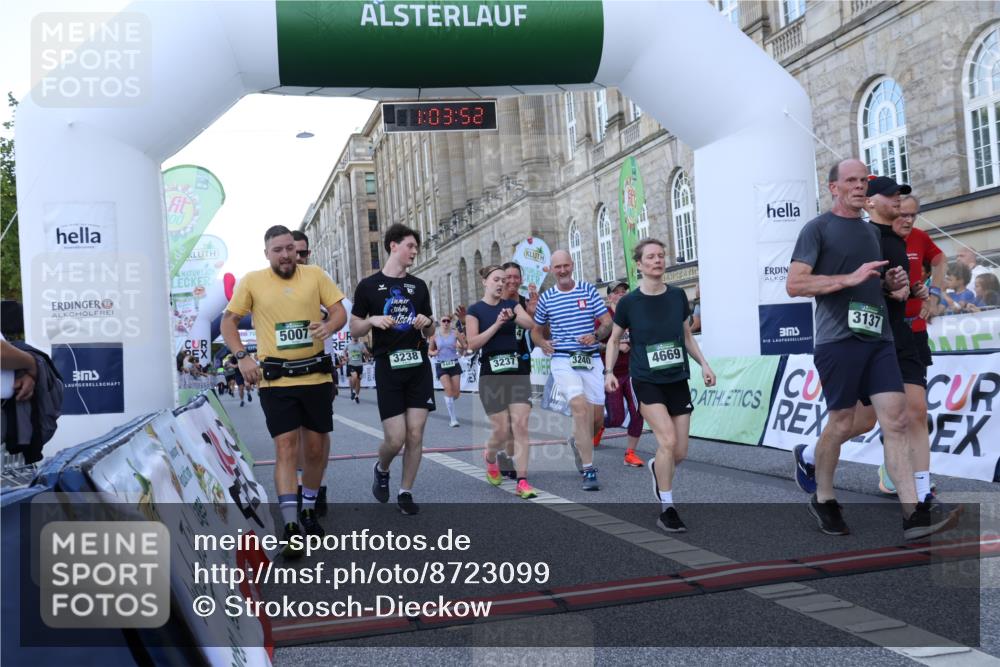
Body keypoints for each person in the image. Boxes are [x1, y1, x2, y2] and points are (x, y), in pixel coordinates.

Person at [787, 160, 957, 541]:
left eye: (864, 180)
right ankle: (824, 497)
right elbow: (795, 285)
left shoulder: (871, 233)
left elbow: (877, 286)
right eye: (851, 181)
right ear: (833, 188)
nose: (860, 186)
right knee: (844, 423)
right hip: (838, 341)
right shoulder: (817, 229)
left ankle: (914, 514)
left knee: (896, 421)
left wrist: (892, 284)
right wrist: (849, 278)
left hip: (879, 339)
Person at [221, 225, 346, 557]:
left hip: (316, 377)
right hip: (276, 380)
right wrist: (242, 356)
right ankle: (291, 524)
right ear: (267, 253)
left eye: (290, 248)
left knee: (316, 451)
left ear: (297, 249)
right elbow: (228, 322)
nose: (286, 254)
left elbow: (339, 311)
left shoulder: (315, 275)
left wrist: (330, 325)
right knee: (286, 448)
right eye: (278, 250)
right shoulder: (252, 281)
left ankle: (308, 507)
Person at [605, 240, 714, 531]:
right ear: (639, 265)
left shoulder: (679, 296)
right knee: (666, 441)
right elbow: (615, 340)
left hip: (677, 377)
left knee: (679, 452)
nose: (658, 260)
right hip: (647, 379)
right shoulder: (629, 302)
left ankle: (657, 467)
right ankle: (667, 506)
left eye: (661, 256)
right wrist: (608, 371)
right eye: (651, 257)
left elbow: (687, 336)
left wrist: (704, 364)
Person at [351, 223, 436, 516]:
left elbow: (429, 331)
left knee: (415, 434)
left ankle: (405, 491)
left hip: (418, 365)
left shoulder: (419, 286)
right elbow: (354, 329)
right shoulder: (368, 286)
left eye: (416, 247)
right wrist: (372, 321)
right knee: (395, 438)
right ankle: (382, 467)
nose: (414, 251)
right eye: (410, 246)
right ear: (393, 246)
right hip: (388, 366)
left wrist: (427, 323)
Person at [532, 250, 613, 491]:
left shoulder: (588, 290)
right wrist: (543, 343)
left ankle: (577, 441)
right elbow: (536, 330)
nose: (563, 270)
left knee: (597, 420)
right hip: (563, 360)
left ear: (573, 265)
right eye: (558, 267)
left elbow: (607, 323)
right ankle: (589, 470)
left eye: (566, 265)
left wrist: (596, 335)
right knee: (580, 408)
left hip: (589, 360)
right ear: (552, 269)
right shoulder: (547, 298)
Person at [465, 265, 539, 498]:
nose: (501, 283)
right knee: (501, 431)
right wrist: (497, 324)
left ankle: (523, 480)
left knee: (520, 426)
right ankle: (490, 455)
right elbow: (473, 343)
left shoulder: (511, 305)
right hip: (491, 376)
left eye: (504, 280)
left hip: (516, 373)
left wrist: (515, 315)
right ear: (485, 282)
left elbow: (530, 324)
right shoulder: (475, 310)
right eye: (496, 279)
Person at [291, 229, 330, 515]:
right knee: (291, 436)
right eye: (294, 252)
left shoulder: (318, 277)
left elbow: (342, 312)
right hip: (286, 374)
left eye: (303, 253)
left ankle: (317, 483)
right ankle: (298, 486)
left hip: (319, 367)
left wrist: (327, 318)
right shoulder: (272, 282)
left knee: (317, 435)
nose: (298, 258)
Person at [495, 261, 538, 479]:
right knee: (505, 422)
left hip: (521, 365)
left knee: (519, 420)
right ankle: (504, 453)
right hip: (498, 368)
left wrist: (532, 313)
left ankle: (514, 463)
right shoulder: (494, 302)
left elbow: (538, 332)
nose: (512, 281)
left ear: (521, 279)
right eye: (507, 277)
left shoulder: (525, 302)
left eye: (515, 277)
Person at [602, 281, 646, 468]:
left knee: (638, 412)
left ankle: (630, 453)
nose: (621, 295)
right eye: (616, 292)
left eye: (623, 292)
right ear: (610, 297)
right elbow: (591, 343)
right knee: (616, 418)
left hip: (632, 372)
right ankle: (599, 425)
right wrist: (615, 346)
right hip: (612, 374)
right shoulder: (604, 318)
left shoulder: (634, 315)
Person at [428, 315, 466, 427]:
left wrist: (459, 348)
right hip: (441, 365)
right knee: (448, 389)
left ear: (450, 322)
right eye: (443, 320)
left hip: (454, 363)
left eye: (448, 321)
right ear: (440, 322)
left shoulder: (455, 333)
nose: (446, 323)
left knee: (456, 393)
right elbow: (430, 350)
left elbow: (464, 346)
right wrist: (434, 353)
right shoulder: (434, 336)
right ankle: (453, 419)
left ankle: (448, 400)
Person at [343, 338, 370, 403]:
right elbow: (344, 351)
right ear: (352, 337)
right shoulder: (348, 344)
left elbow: (367, 353)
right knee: (354, 377)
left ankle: (356, 395)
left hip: (359, 365)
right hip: (351, 365)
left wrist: (366, 355)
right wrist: (345, 357)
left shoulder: (361, 344)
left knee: (358, 382)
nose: (355, 337)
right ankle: (352, 391)